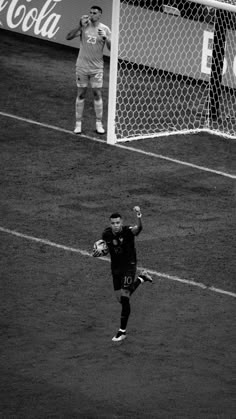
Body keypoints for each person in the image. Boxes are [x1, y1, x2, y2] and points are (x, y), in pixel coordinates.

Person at [93, 206, 153, 342]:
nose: (115, 226)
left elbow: (139, 229)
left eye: (118, 223)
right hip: (116, 268)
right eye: (113, 223)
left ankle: (122, 331)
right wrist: (99, 252)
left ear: (121, 222)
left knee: (125, 298)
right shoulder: (106, 234)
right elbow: (107, 248)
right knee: (120, 299)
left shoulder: (128, 231)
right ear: (110, 224)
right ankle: (142, 277)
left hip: (129, 266)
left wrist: (139, 216)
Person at [66, 6, 111, 135]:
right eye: (90, 12)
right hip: (82, 66)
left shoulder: (105, 29)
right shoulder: (84, 26)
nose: (91, 15)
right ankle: (78, 124)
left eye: (94, 13)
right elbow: (68, 37)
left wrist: (106, 38)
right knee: (81, 94)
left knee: (97, 94)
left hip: (97, 68)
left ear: (100, 15)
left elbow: (112, 49)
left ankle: (99, 123)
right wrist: (79, 26)